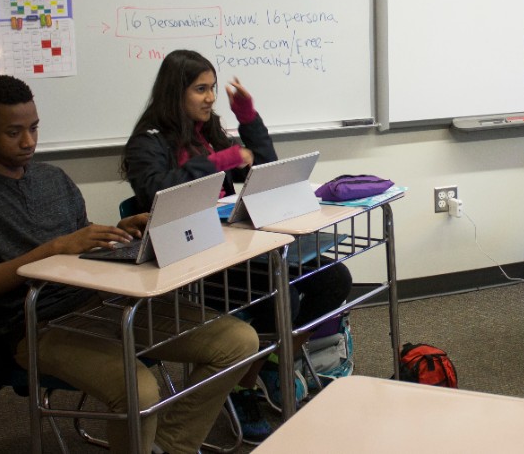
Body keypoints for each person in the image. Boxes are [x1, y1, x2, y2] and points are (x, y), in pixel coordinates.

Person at [0, 74, 259, 454]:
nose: (28, 142)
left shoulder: (52, 178)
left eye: (34, 128)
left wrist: (116, 231)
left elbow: (79, 238)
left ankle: (169, 445)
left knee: (238, 341)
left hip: (102, 302)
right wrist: (55, 247)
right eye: (13, 133)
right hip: (34, 326)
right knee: (140, 388)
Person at [120, 50, 352, 443]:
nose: (210, 98)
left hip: (234, 248)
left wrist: (249, 118)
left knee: (333, 277)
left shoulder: (207, 131)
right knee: (284, 299)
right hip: (190, 262)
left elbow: (264, 168)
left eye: (212, 88)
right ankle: (244, 385)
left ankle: (273, 362)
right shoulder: (148, 142)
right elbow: (155, 190)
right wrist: (218, 162)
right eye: (200, 89)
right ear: (175, 93)